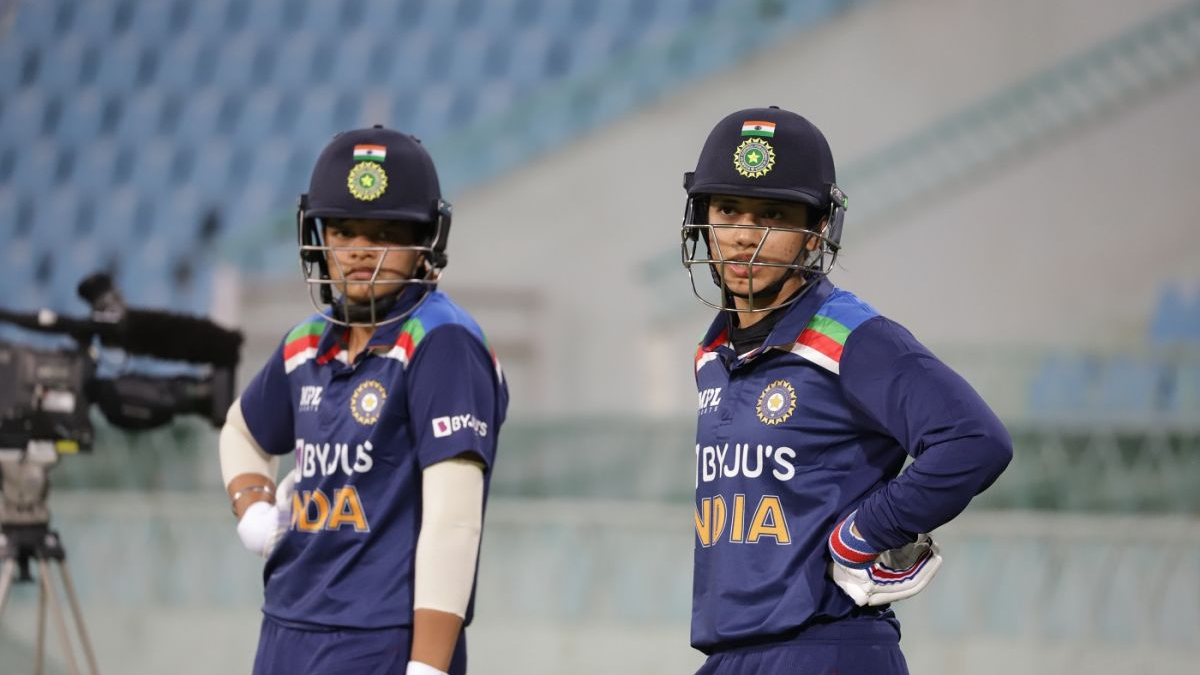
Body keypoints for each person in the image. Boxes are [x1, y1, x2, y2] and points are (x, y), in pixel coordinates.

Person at [681, 107, 1012, 674]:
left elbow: (975, 439)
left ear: (815, 231)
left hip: (827, 648)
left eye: (773, 215)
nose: (742, 236)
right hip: (733, 654)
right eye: (728, 208)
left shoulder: (851, 335)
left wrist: (865, 532)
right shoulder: (715, 352)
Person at [218, 126, 507, 675]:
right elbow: (241, 431)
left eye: (384, 232)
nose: (357, 251)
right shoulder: (307, 342)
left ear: (426, 241)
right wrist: (253, 509)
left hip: (381, 640)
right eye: (344, 231)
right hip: (285, 627)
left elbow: (454, 520)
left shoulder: (442, 341)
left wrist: (427, 666)